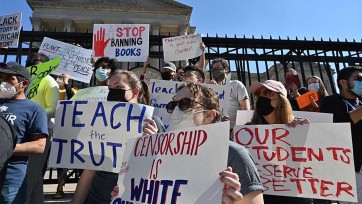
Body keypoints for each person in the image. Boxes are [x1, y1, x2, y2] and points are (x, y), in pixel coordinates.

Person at [139, 82, 264, 204]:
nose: (177, 109)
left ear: (209, 115)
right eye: (173, 105)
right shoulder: (162, 153)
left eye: (184, 103)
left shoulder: (233, 155)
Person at [72, 70, 165, 204]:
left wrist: (153, 143)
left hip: (133, 198)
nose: (113, 92)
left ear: (135, 91)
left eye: (118, 87)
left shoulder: (152, 122)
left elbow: (162, 169)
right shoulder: (100, 121)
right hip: (97, 198)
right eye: (110, 88)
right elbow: (89, 170)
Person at [248, 79, 312, 204]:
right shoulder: (248, 133)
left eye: (268, 93)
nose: (262, 98)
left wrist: (307, 135)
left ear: (281, 100)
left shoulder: (299, 127)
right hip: (264, 197)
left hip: (296, 197)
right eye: (259, 95)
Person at [0, 62, 48, 204]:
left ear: (24, 83)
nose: (4, 82)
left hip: (11, 180)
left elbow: (39, 146)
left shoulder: (34, 110)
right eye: (2, 78)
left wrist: (5, 148)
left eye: (10, 78)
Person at [319, 66, 362, 204]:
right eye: (358, 78)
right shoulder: (331, 101)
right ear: (342, 82)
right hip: (350, 169)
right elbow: (340, 126)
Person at [24, 53, 60, 203]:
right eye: (32, 62)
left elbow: (53, 109)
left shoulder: (49, 82)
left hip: (40, 132)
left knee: (30, 175)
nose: (35, 65)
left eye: (39, 63)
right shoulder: (25, 81)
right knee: (35, 176)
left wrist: (31, 115)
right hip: (23, 129)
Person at [210, 58, 250, 135]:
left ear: (226, 69)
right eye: (213, 69)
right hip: (215, 131)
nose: (215, 71)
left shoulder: (236, 84)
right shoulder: (210, 87)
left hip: (233, 131)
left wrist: (240, 129)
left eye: (217, 68)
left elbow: (245, 109)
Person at [53, 73, 78, 199]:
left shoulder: (74, 90)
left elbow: (75, 100)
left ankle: (80, 188)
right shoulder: (52, 88)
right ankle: (60, 186)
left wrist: (67, 83)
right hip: (58, 128)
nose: (61, 78)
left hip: (73, 129)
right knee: (61, 159)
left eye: (63, 76)